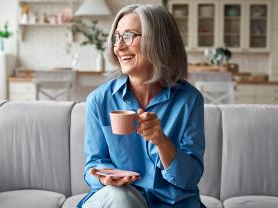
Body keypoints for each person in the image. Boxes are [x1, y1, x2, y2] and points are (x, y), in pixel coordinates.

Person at [78, 4, 206, 208]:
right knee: (121, 198)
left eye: (128, 36)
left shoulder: (189, 101)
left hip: (173, 204)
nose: (118, 47)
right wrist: (105, 178)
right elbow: (92, 166)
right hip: (119, 200)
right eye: (116, 37)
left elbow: (189, 178)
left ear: (158, 41)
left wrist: (161, 141)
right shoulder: (99, 100)